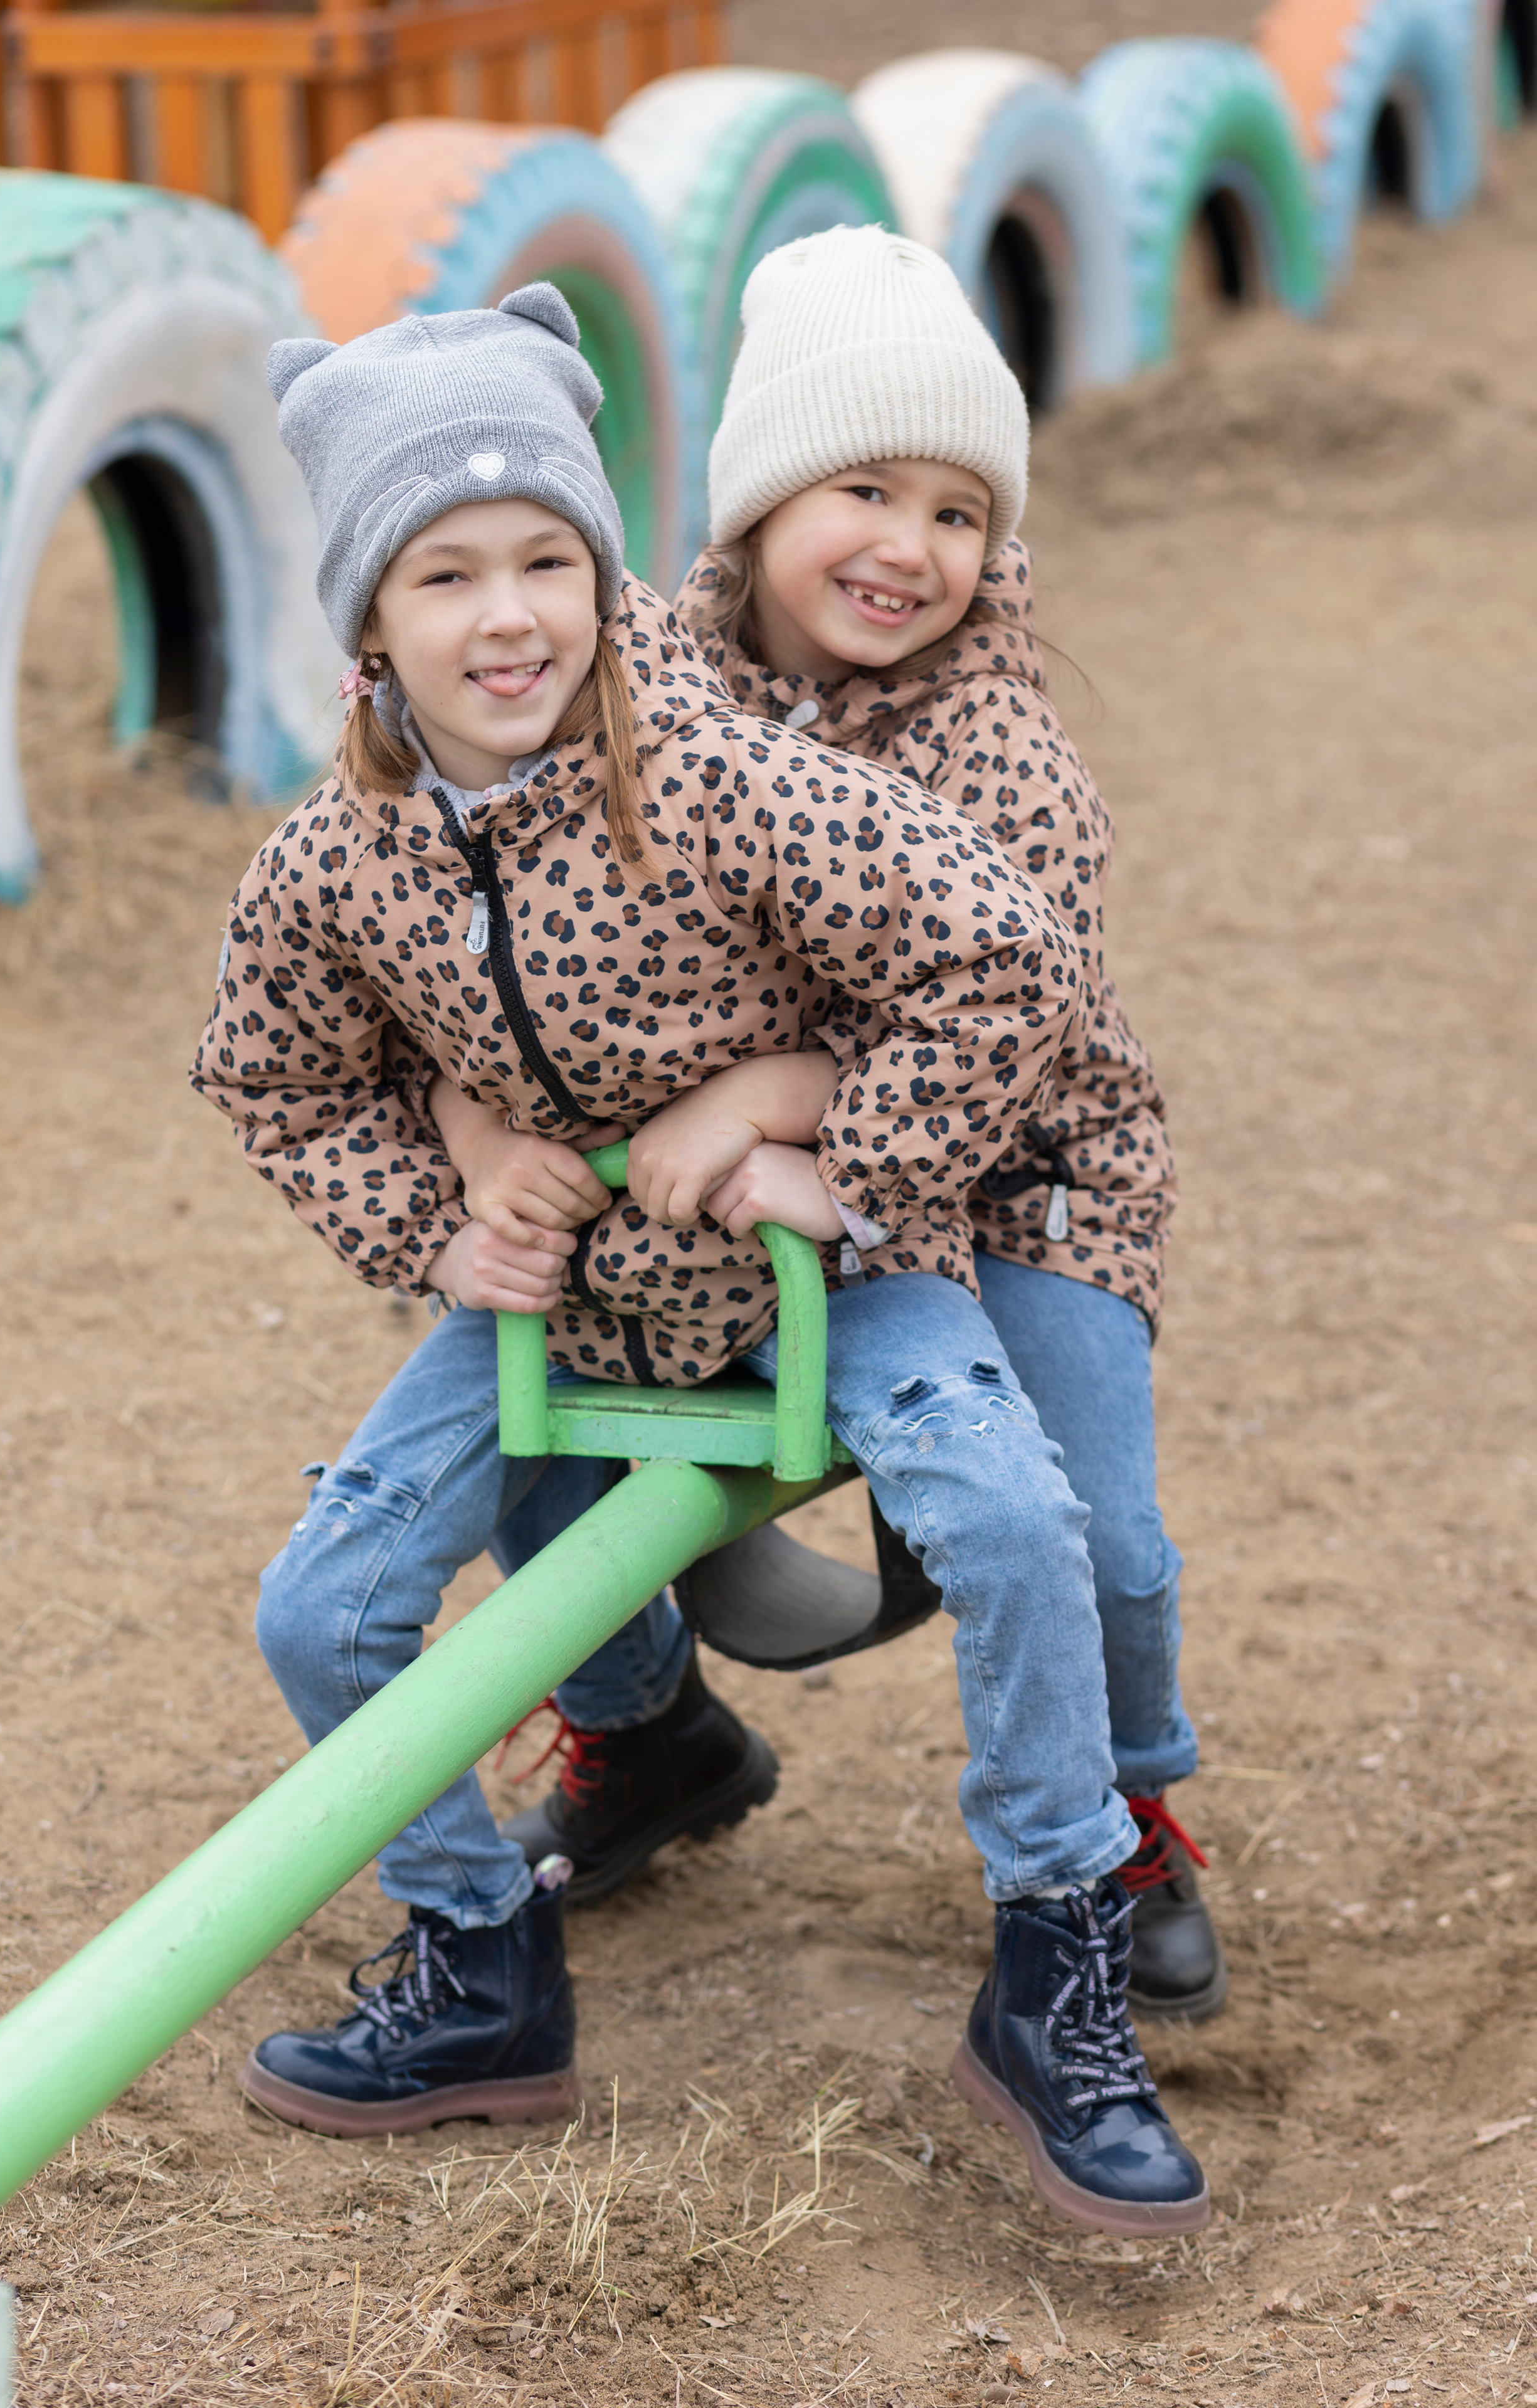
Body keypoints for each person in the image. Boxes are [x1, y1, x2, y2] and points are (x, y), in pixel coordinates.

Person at [192, 280, 1208, 2233]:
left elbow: (1005, 954)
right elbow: (277, 1079)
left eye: (549, 561)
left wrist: (845, 1157)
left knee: (1026, 1521)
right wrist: (454, 1199)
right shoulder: (336, 861)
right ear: (364, 628)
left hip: (863, 1262)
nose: (509, 616)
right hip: (578, 1299)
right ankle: (482, 1964)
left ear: (605, 571)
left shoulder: (720, 769)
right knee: (322, 1612)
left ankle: (1059, 1950)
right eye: (445, 575)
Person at [464, 226, 1224, 2027]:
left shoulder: (1002, 752)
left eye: (961, 511)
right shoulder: (643, 697)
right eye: (865, 488)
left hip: (1021, 1180)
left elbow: (1017, 1024)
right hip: (736, 1189)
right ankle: (650, 1731)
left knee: (1092, 1526)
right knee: (533, 1448)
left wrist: (800, 1123)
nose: (913, 547)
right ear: (753, 504)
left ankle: (1129, 1814)